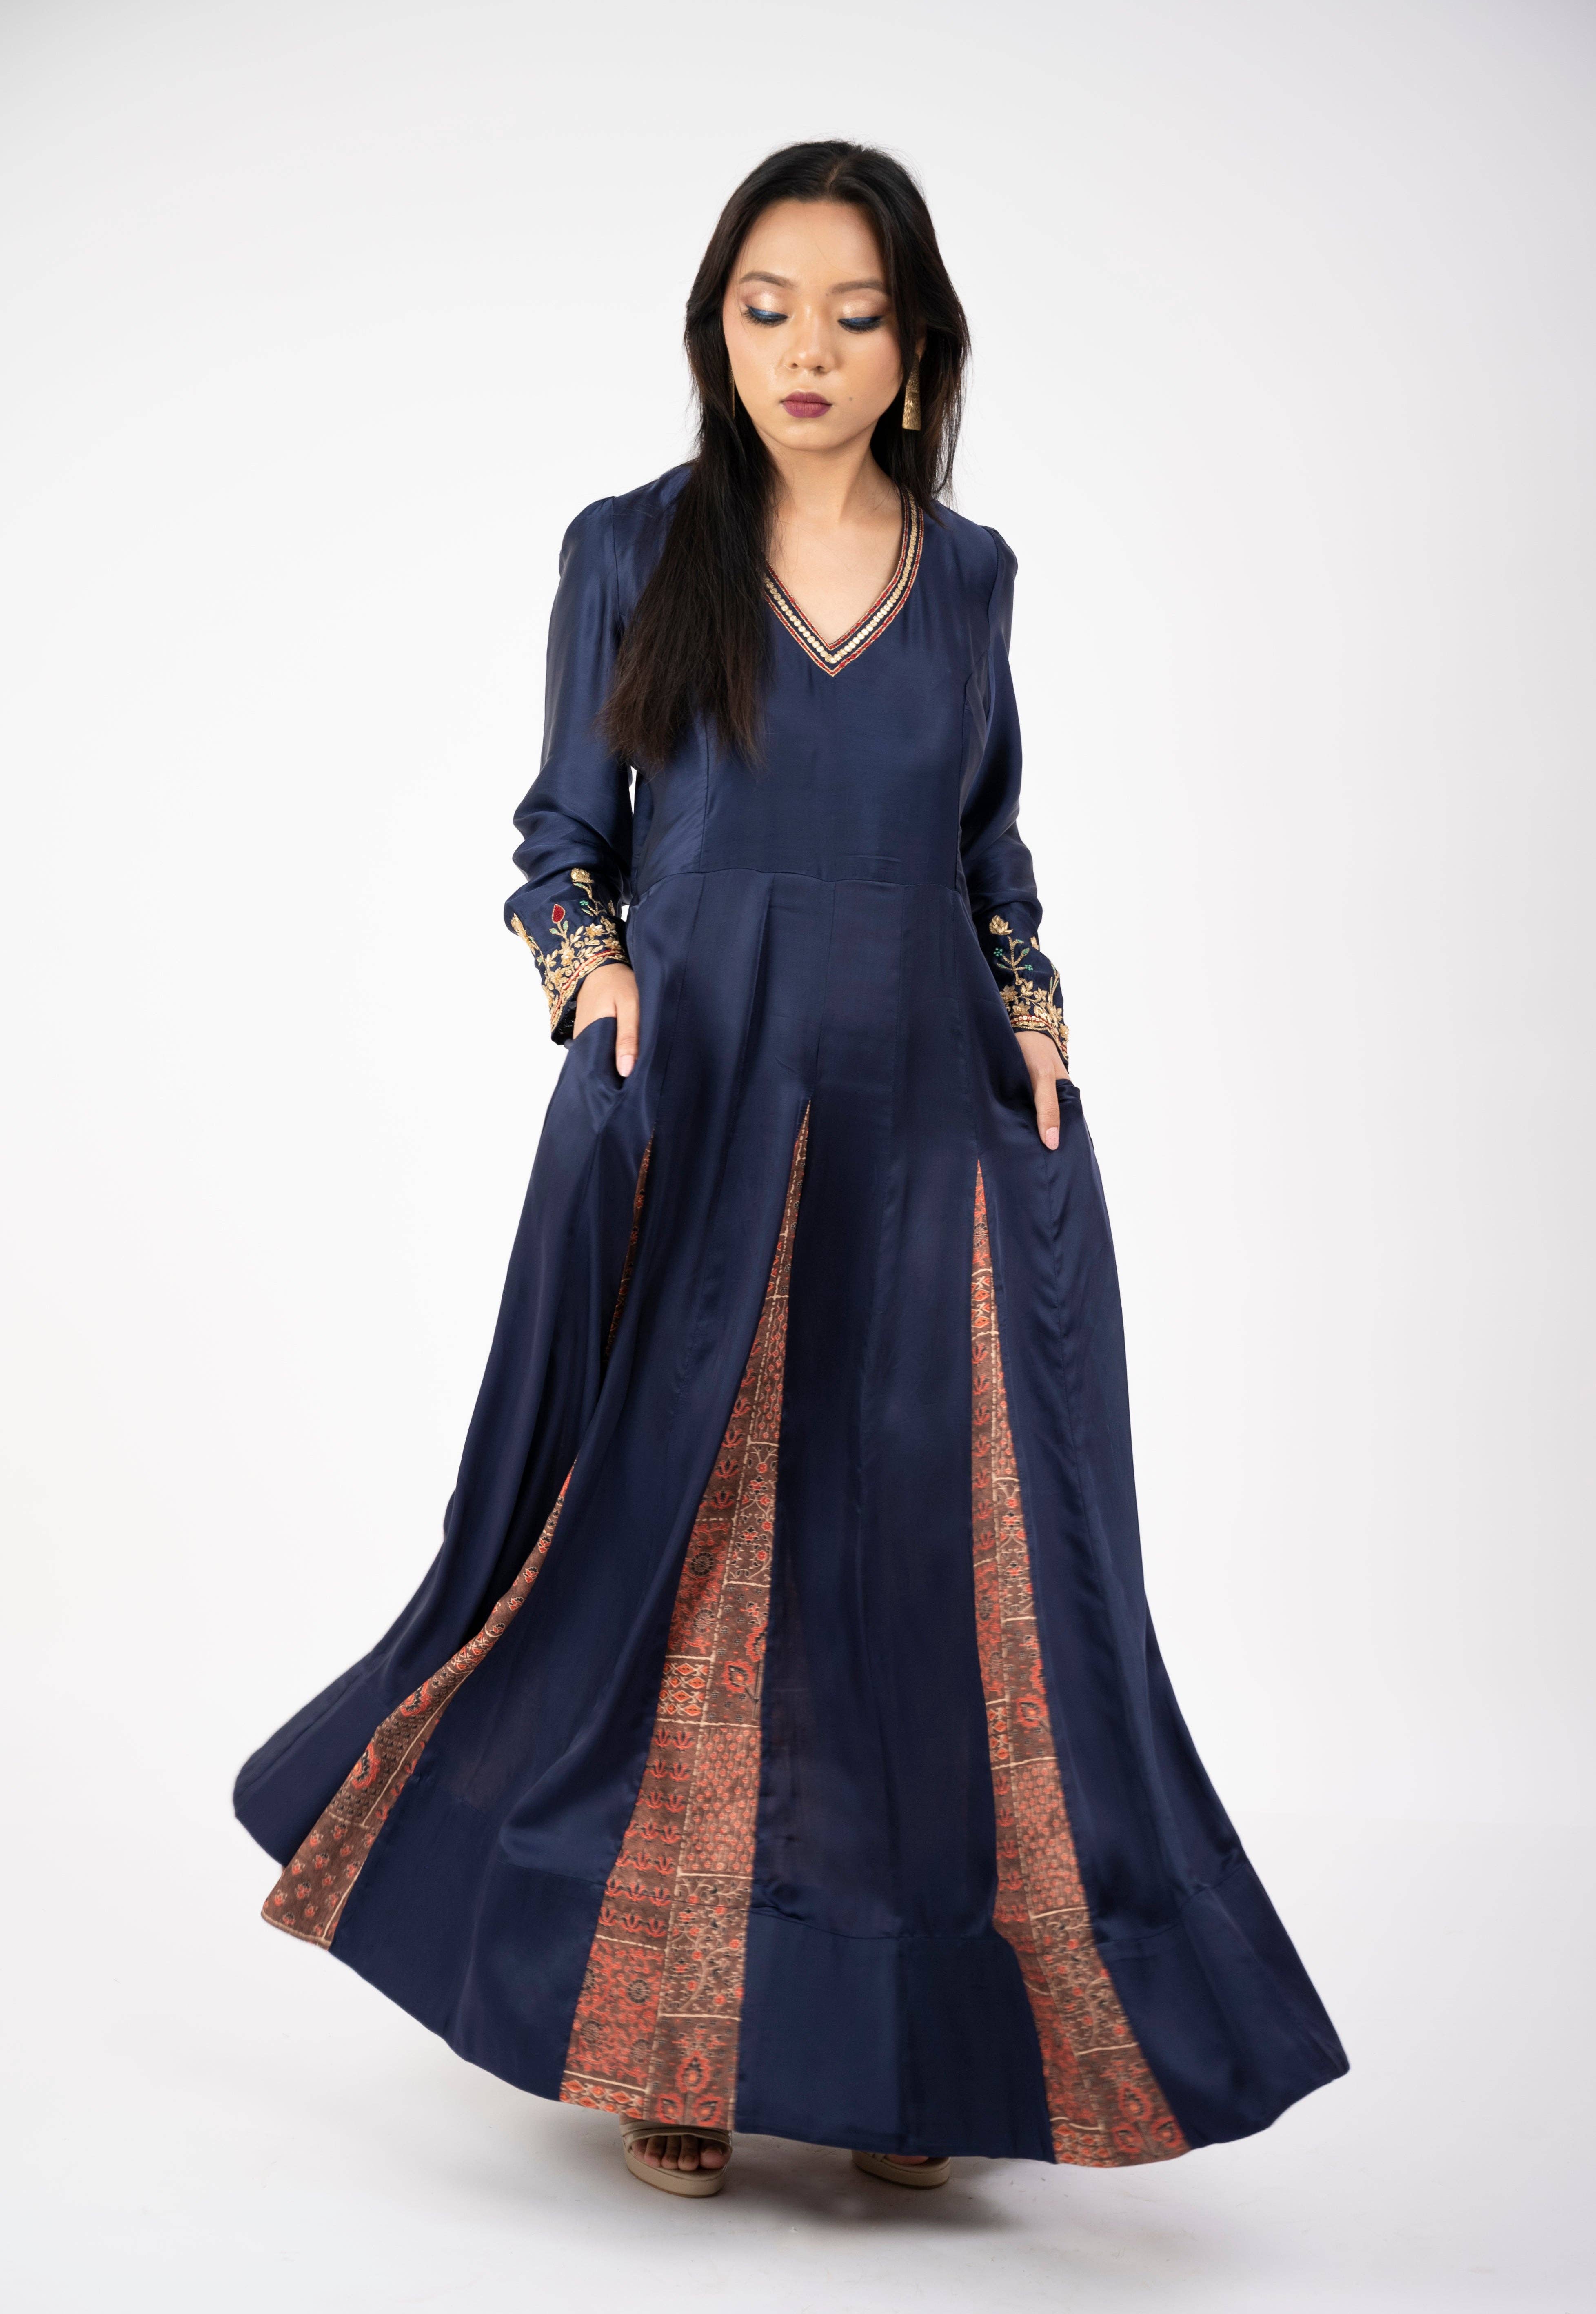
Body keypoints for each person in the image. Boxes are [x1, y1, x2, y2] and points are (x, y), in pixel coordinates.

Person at [235, 139, 1347, 2200]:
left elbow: (985, 845)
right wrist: (590, 982)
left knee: (919, 1581)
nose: (806, 349)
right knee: (677, 1551)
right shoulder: (630, 552)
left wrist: (1031, 1002)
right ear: (717, 332)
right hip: (701, 1106)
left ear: (916, 353)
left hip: (926, 1125)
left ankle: (908, 2066)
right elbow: (563, 838)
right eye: (767, 308)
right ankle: (664, 2026)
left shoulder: (975, 579)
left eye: (852, 313)